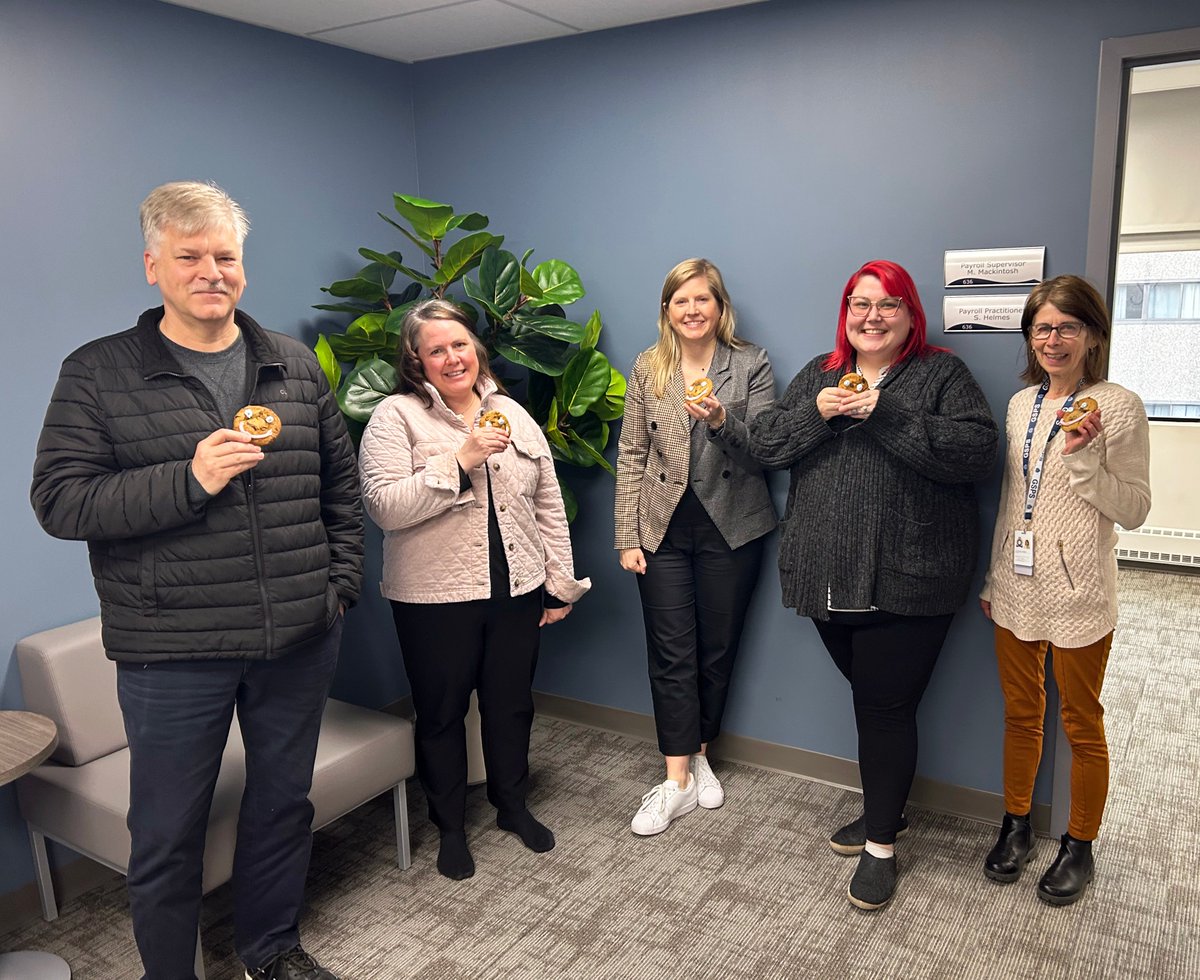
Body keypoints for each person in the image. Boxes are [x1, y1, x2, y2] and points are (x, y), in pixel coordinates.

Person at [31, 181, 362, 980]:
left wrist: (336, 588)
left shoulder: (290, 364)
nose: (211, 271)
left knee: (283, 806)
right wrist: (190, 477)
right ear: (154, 266)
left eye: (225, 257)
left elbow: (340, 493)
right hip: (171, 651)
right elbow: (60, 501)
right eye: (190, 256)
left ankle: (270, 950)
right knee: (168, 831)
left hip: (296, 635)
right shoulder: (98, 373)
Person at [720, 259, 997, 910]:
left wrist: (884, 412)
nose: (872, 317)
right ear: (846, 312)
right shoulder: (820, 371)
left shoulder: (941, 373)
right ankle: (889, 808)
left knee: (884, 709)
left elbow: (977, 455)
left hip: (911, 578)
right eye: (859, 304)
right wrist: (817, 412)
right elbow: (768, 446)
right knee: (875, 702)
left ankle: (880, 846)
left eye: (888, 305)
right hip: (825, 578)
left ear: (910, 315)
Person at [358, 299, 589, 881]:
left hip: (516, 588)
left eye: (459, 344)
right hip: (434, 599)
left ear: (476, 349)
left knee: (511, 705)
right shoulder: (395, 416)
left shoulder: (510, 411)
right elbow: (384, 507)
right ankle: (451, 826)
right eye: (435, 349)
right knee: (441, 714)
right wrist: (458, 460)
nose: (451, 357)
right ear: (416, 360)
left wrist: (559, 585)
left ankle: (511, 805)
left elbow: (547, 504)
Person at [979, 274, 1150, 906]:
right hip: (1017, 588)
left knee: (1082, 723)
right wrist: (995, 574)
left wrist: (1082, 457)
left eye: (1068, 327)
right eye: (1043, 328)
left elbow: (1134, 509)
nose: (1053, 340)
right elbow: (1011, 499)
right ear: (1030, 336)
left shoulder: (1119, 406)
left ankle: (1080, 844)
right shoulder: (1021, 405)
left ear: (1093, 335)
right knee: (1021, 716)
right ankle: (1016, 825)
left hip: (1081, 593)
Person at [614, 258, 777, 836]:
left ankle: (701, 751)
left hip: (732, 528)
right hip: (661, 530)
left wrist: (718, 420)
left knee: (716, 650)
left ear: (719, 307)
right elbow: (632, 453)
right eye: (680, 301)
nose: (691, 311)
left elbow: (765, 445)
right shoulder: (648, 366)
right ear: (667, 311)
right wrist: (626, 537)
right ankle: (676, 779)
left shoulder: (751, 362)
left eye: (701, 300)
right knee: (671, 652)